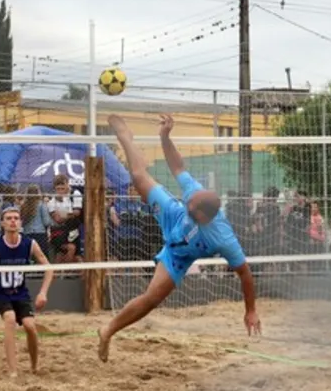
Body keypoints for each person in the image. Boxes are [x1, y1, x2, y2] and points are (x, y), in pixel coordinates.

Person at [97, 114, 261, 362]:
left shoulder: (223, 238)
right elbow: (177, 167)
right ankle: (126, 138)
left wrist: (250, 310)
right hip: (172, 217)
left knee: (152, 299)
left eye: (191, 207)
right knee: (139, 177)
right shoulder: (190, 197)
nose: (187, 203)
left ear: (204, 217)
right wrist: (165, 136)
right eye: (188, 201)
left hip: (179, 256)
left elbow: (245, 273)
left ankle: (108, 330)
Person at [0, 207, 54, 377]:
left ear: (20, 222)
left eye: (16, 218)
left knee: (30, 326)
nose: (12, 221)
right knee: (9, 319)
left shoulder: (29, 244)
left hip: (21, 293)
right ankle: (13, 370)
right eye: (8, 218)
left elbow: (49, 268)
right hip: (1, 293)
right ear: (2, 223)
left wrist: (43, 292)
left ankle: (34, 366)